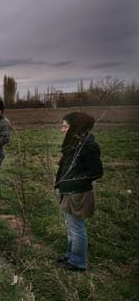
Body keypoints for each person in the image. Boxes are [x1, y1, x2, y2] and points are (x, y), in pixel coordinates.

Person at [54, 112, 103, 271]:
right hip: (68, 191)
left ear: (76, 127)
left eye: (65, 126)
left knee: (77, 228)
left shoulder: (88, 146)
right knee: (70, 227)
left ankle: (78, 262)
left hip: (78, 193)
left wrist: (72, 181)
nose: (62, 130)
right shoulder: (74, 144)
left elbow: (96, 172)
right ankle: (70, 255)